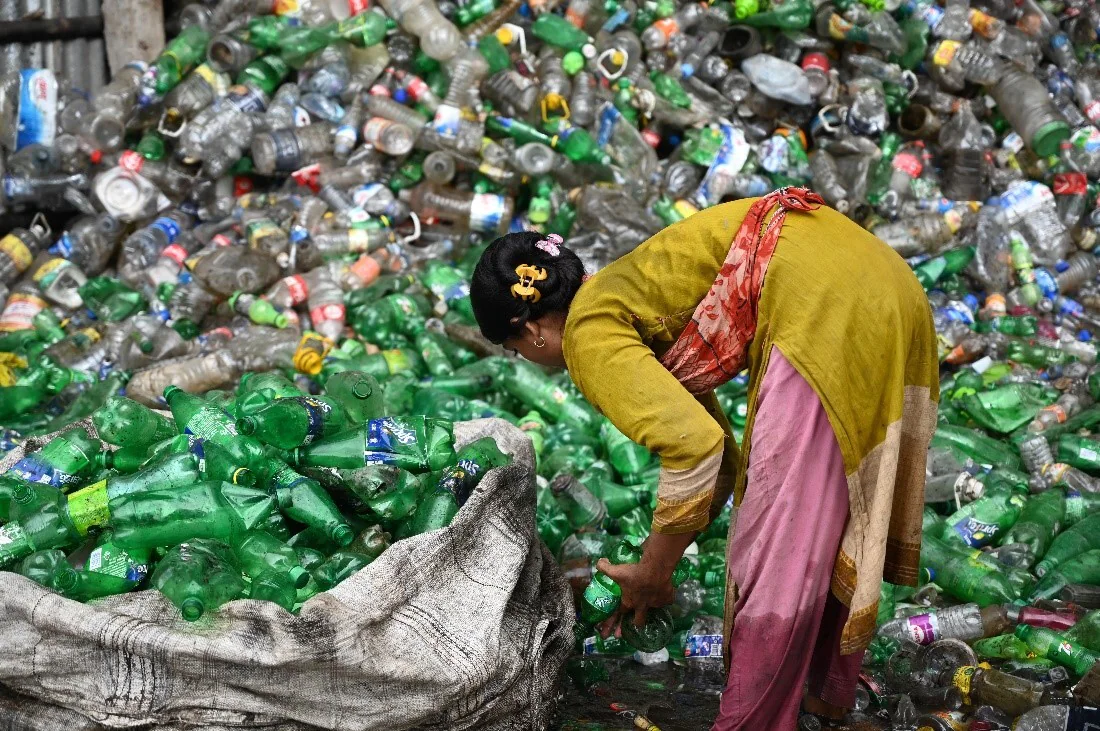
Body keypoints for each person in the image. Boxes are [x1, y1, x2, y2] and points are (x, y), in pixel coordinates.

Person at [469, 188, 938, 729]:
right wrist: (657, 559)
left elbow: (695, 449)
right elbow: (721, 457)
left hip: (824, 303)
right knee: (825, 509)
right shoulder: (626, 294)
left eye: (514, 350)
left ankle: (753, 722)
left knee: (776, 544)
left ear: (529, 330)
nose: (526, 359)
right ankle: (819, 695)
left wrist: (654, 570)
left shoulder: (587, 333)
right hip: (884, 280)